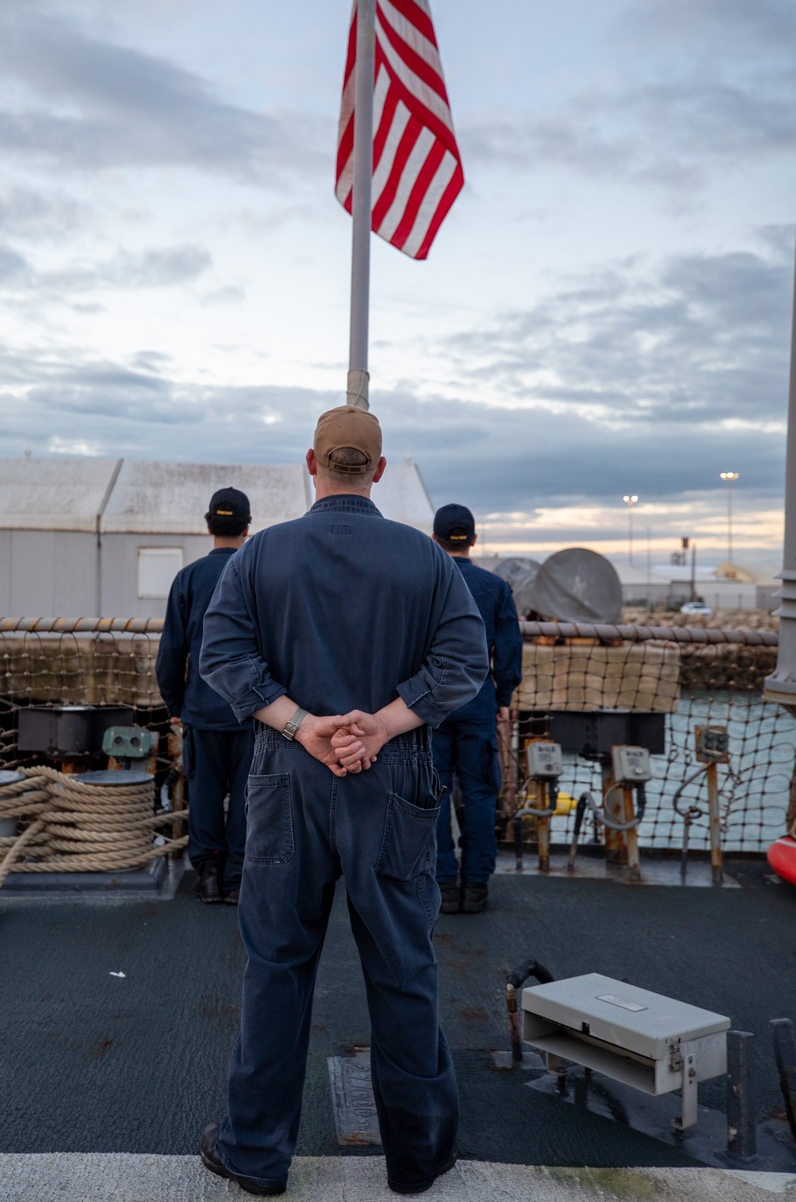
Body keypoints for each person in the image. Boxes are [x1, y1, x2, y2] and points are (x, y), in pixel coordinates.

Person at [196, 407, 488, 1197]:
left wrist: (302, 725)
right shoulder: (427, 563)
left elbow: (220, 653)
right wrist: (382, 726)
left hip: (287, 783)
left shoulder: (261, 555)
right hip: (393, 785)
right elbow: (466, 663)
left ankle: (255, 1154)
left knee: (277, 969)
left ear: (311, 464)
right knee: (403, 969)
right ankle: (418, 1157)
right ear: (381, 471)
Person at [155, 487, 254, 905]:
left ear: (209, 524)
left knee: (206, 793)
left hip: (202, 709)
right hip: (256, 709)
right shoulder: (260, 573)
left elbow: (171, 652)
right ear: (248, 527)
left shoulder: (189, 578)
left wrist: (177, 705)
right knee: (251, 796)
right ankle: (237, 879)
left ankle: (209, 877)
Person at [430, 503, 522, 915]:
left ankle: (443, 884)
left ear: (434, 539)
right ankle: (477, 885)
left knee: (432, 795)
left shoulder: (422, 583)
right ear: (473, 539)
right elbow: (509, 650)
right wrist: (503, 698)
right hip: (478, 700)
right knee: (481, 793)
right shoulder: (494, 586)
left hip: (428, 704)